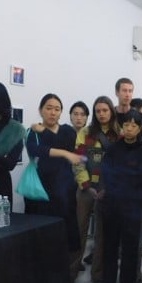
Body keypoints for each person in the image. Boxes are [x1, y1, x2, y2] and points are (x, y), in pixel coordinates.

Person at [99, 109, 142, 283]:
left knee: (130, 246)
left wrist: (121, 176)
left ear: (139, 129)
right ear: (122, 126)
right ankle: (108, 282)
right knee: (110, 244)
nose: (129, 128)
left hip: (133, 206)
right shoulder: (113, 149)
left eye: (134, 125)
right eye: (126, 124)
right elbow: (105, 171)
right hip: (112, 202)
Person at [25, 94, 83, 255]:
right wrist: (63, 153)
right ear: (40, 110)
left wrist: (44, 131)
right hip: (40, 190)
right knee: (40, 238)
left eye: (57, 109)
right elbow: (36, 150)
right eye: (48, 108)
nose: (53, 113)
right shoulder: (32, 132)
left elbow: (63, 144)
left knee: (63, 237)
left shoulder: (68, 131)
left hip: (64, 191)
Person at [72, 96, 120, 283]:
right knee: (79, 229)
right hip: (85, 189)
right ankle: (72, 270)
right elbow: (78, 161)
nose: (101, 114)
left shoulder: (119, 133)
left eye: (105, 110)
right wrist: (86, 185)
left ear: (111, 111)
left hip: (108, 191)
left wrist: (108, 188)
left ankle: (98, 274)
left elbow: (120, 164)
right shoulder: (85, 132)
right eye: (98, 111)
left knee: (102, 234)